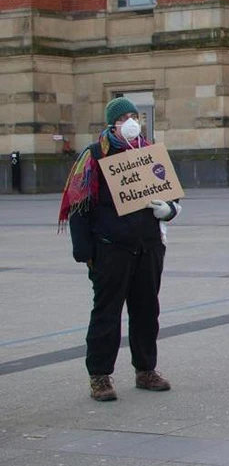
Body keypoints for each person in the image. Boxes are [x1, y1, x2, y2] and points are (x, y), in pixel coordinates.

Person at [58, 97, 181, 402]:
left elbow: (174, 197)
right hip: (111, 248)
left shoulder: (149, 152)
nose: (129, 120)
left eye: (133, 115)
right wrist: (85, 252)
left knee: (146, 310)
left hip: (148, 246)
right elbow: (79, 205)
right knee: (107, 313)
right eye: (122, 116)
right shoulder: (94, 155)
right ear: (111, 122)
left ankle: (146, 370)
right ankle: (99, 375)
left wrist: (168, 210)